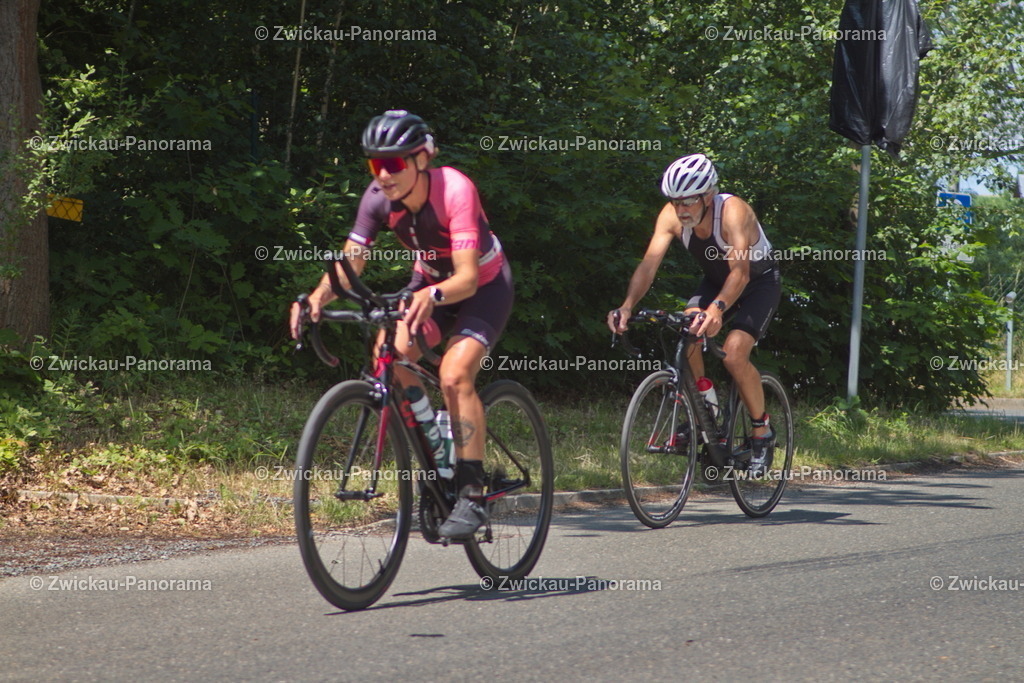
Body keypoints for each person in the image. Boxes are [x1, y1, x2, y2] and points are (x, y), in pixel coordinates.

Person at [289, 109, 513, 538]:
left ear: (421, 160)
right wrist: (317, 298)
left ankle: (470, 492)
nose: (384, 175)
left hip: (481, 286)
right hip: (427, 283)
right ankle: (437, 454)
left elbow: (465, 277)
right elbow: (351, 263)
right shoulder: (377, 199)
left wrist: (430, 295)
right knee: (388, 354)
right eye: (376, 164)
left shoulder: (455, 190)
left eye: (393, 164)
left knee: (453, 372)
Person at [607, 153, 781, 475]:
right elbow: (649, 264)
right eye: (675, 201)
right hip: (716, 281)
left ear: (709, 194)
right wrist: (627, 305)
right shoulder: (671, 216)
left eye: (688, 201)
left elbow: (740, 273)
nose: (681, 209)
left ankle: (762, 431)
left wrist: (716, 309)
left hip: (757, 282)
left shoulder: (733, 212)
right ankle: (707, 407)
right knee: (687, 331)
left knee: (733, 354)